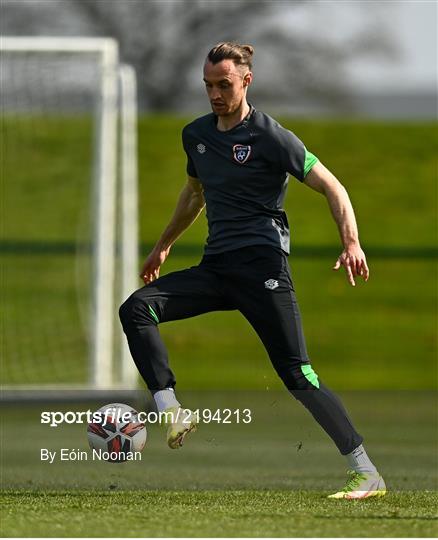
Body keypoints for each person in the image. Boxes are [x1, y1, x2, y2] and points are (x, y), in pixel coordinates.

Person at [119, 42, 386, 499]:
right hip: (217, 267)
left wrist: (351, 241)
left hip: (263, 267)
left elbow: (332, 186)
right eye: (208, 86)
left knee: (298, 376)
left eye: (224, 84)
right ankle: (171, 409)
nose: (215, 94)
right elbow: (194, 195)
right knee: (136, 310)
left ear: (246, 81)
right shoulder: (196, 135)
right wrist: (163, 245)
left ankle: (366, 471)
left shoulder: (271, 137)